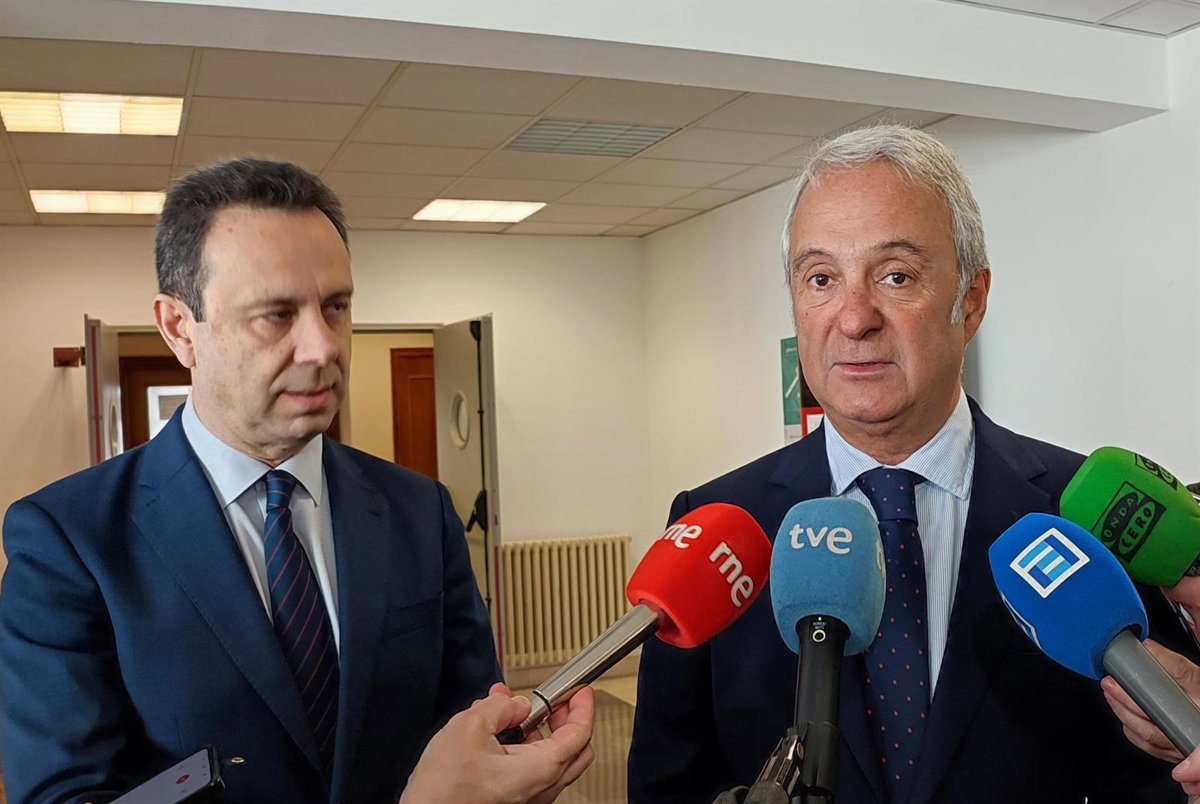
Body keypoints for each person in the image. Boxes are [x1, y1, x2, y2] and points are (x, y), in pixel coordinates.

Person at [627, 125, 1193, 803]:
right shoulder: (717, 529)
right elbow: (669, 783)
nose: (854, 318)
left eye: (896, 276)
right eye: (821, 278)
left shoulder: (1090, 519)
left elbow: (1155, 779)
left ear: (971, 300)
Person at [0, 159, 592, 804]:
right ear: (179, 328)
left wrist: (513, 775)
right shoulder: (70, 540)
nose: (323, 347)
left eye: (336, 307)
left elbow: (472, 732)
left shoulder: (419, 511)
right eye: (276, 314)